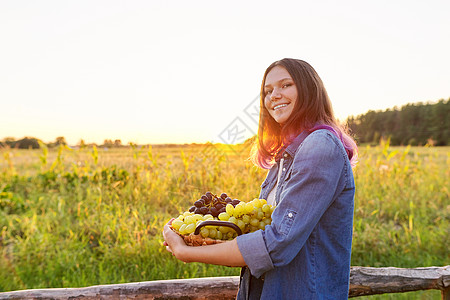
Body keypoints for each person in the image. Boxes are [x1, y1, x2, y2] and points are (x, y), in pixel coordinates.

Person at [163, 58, 358, 299]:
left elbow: (277, 243)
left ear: (309, 90)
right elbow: (265, 227)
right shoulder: (285, 156)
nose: (274, 95)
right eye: (268, 91)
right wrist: (200, 233)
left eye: (286, 85)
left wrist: (187, 253)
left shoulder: (319, 147)